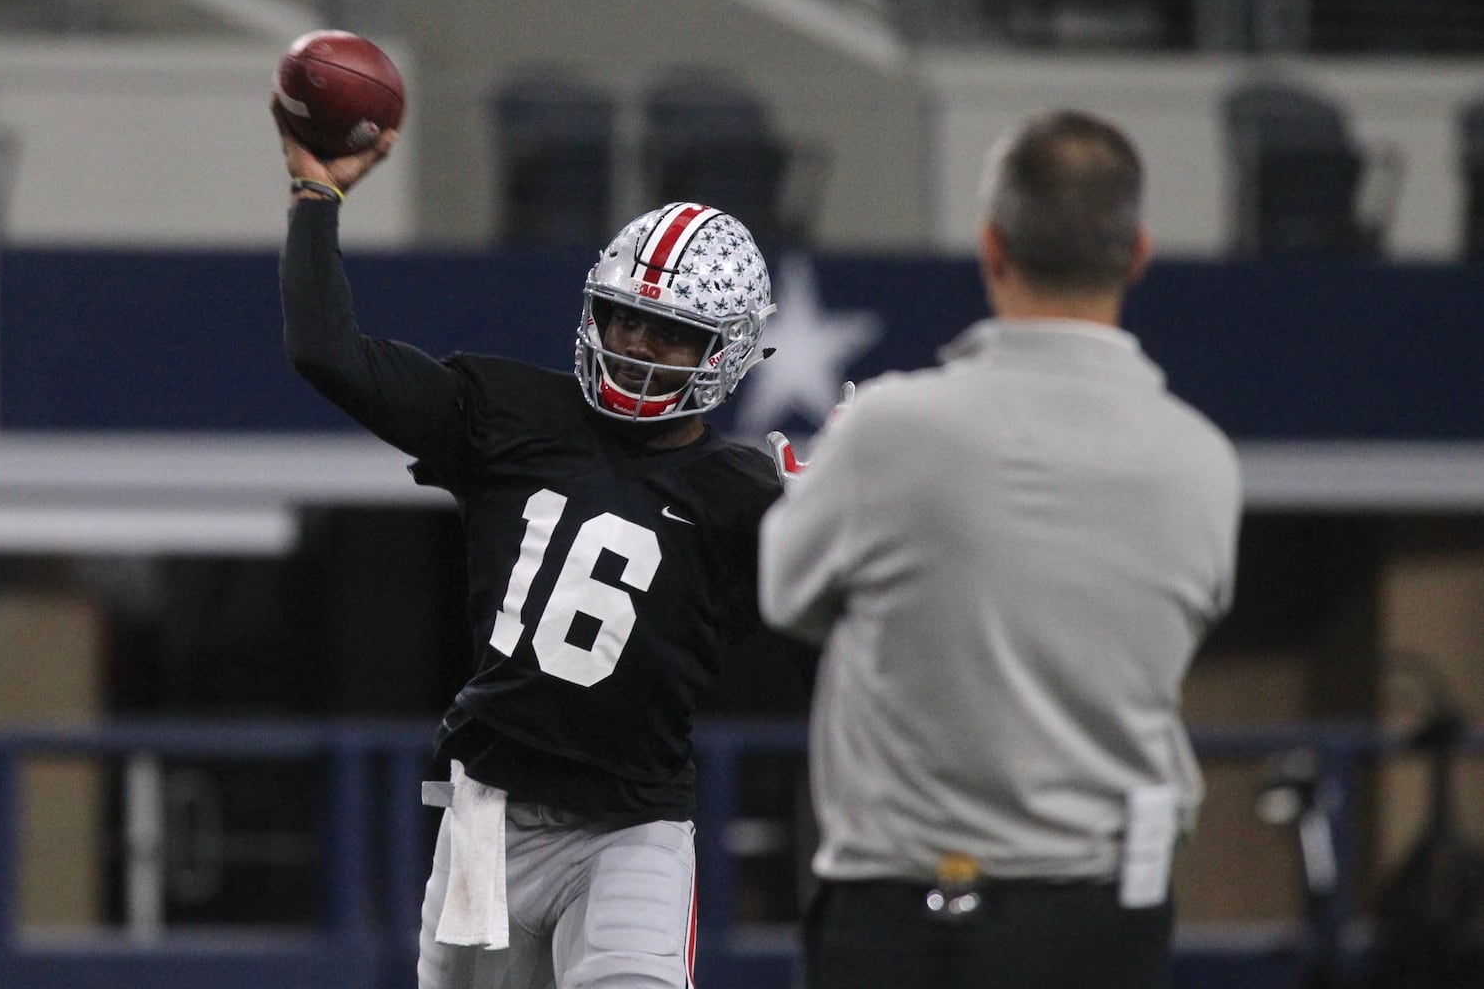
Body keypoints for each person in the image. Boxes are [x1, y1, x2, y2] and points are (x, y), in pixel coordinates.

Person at [275, 106, 784, 987]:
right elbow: (328, 353)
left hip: (631, 827)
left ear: (726, 350)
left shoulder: (742, 496)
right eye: (624, 319)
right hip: (484, 813)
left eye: (670, 333)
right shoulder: (508, 414)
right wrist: (316, 194)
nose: (636, 346)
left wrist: (862, 484)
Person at [758, 109, 1242, 989]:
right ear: (1137, 253)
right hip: (1106, 925)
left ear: (991, 248)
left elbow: (787, 597)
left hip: (904, 916)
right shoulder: (1203, 459)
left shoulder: (889, 429)